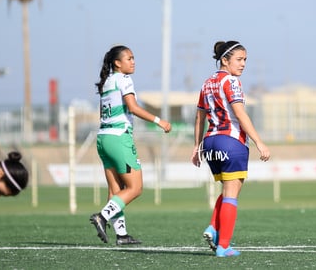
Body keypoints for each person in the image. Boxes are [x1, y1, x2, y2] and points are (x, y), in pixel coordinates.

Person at [191, 41, 270, 257]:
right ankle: (223, 246)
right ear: (225, 60)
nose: (243, 64)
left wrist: (197, 147)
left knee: (227, 190)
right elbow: (241, 114)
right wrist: (259, 142)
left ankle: (213, 227)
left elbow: (199, 117)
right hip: (231, 141)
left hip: (210, 143)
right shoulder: (232, 82)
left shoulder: (207, 83)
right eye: (239, 59)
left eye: (245, 60)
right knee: (232, 194)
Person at [90, 45, 172, 245]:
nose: (133, 61)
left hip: (103, 138)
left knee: (116, 189)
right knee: (135, 188)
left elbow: (104, 112)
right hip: (119, 137)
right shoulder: (124, 79)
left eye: (134, 58)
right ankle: (102, 216)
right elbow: (133, 108)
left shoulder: (107, 81)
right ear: (117, 63)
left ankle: (122, 235)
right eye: (129, 58)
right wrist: (159, 121)